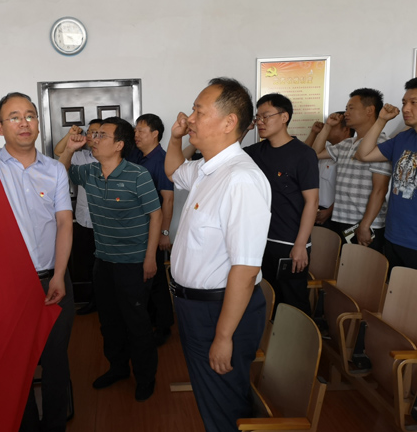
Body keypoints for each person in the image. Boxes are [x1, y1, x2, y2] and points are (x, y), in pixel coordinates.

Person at [164, 78, 272, 431]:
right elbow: (172, 171)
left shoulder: (241, 179)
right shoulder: (207, 168)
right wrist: (176, 138)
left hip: (220, 310)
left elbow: (245, 268)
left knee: (223, 403)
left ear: (229, 122)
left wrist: (224, 337)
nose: (190, 118)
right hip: (197, 307)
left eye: (199, 111)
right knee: (212, 395)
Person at [59, 117, 162, 402]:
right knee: (109, 322)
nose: (94, 138)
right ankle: (118, 368)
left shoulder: (138, 175)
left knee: (137, 323)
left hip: (133, 262)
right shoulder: (89, 171)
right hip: (103, 261)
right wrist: (69, 148)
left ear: (119, 145)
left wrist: (150, 258)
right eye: (94, 134)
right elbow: (60, 170)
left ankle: (145, 377)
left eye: (102, 135)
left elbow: (155, 216)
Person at [0, 92, 75, 432]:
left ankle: (54, 425)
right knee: (16, 364)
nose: (23, 123)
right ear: (0, 127)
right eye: (14, 117)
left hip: (54, 280)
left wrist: (59, 275)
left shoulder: (54, 170)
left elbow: (65, 223)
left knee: (55, 361)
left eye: (29, 115)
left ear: (38, 124)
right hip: (7, 285)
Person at [245, 93, 319, 316]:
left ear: (284, 117)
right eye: (257, 117)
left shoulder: (303, 154)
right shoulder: (256, 152)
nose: (260, 122)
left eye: (266, 116)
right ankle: (270, 337)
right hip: (260, 240)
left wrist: (300, 244)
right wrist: (244, 129)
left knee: (293, 301)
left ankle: (302, 339)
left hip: (289, 242)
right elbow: (228, 156)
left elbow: (312, 202)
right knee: (266, 297)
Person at [312, 88, 392, 252]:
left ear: (369, 110)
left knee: (363, 267)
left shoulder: (382, 144)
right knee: (342, 265)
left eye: (351, 108)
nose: (346, 113)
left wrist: (365, 225)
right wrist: (327, 127)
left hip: (365, 224)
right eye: (346, 108)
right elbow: (315, 154)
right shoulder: (347, 143)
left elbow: (380, 190)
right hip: (342, 219)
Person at [355, 77, 417, 271]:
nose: (406, 109)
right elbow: (363, 154)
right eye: (404, 103)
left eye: (414, 103)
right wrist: (381, 121)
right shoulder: (403, 138)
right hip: (394, 236)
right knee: (392, 289)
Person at [127, 113, 174, 346]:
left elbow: (168, 199)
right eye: (135, 130)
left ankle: (163, 326)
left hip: (153, 231)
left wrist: (164, 233)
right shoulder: (137, 155)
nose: (136, 134)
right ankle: (150, 322)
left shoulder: (161, 161)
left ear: (155, 134)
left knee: (155, 281)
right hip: (137, 230)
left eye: (141, 131)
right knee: (144, 280)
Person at [54, 119, 102, 315]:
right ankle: (93, 301)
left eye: (96, 132)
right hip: (84, 219)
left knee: (105, 266)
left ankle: (106, 302)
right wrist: (70, 134)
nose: (90, 135)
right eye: (89, 132)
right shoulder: (81, 156)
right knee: (89, 263)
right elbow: (59, 152)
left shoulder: (112, 156)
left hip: (106, 223)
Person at [305, 113, 353, 229]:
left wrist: (329, 211)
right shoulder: (324, 151)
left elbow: (348, 189)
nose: (326, 128)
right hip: (317, 210)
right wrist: (314, 133)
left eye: (333, 125)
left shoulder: (351, 152)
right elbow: (306, 156)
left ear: (346, 129)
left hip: (335, 213)